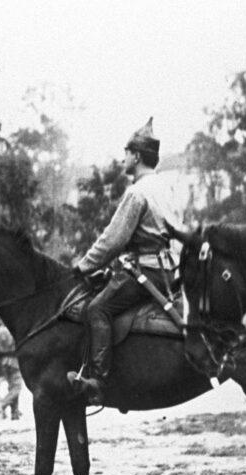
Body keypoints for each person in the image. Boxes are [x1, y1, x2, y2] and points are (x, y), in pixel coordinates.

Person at [67, 117, 183, 404]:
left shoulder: (137, 192)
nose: (123, 159)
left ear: (137, 156)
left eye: (126, 153)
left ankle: (98, 380)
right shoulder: (164, 187)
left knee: (97, 309)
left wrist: (82, 267)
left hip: (146, 273)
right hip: (169, 270)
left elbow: (112, 241)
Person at [0, 316, 22, 420]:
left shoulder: (0, 332)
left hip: (4, 361)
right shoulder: (14, 330)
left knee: (12, 386)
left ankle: (14, 412)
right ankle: (4, 403)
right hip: (14, 360)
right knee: (17, 387)